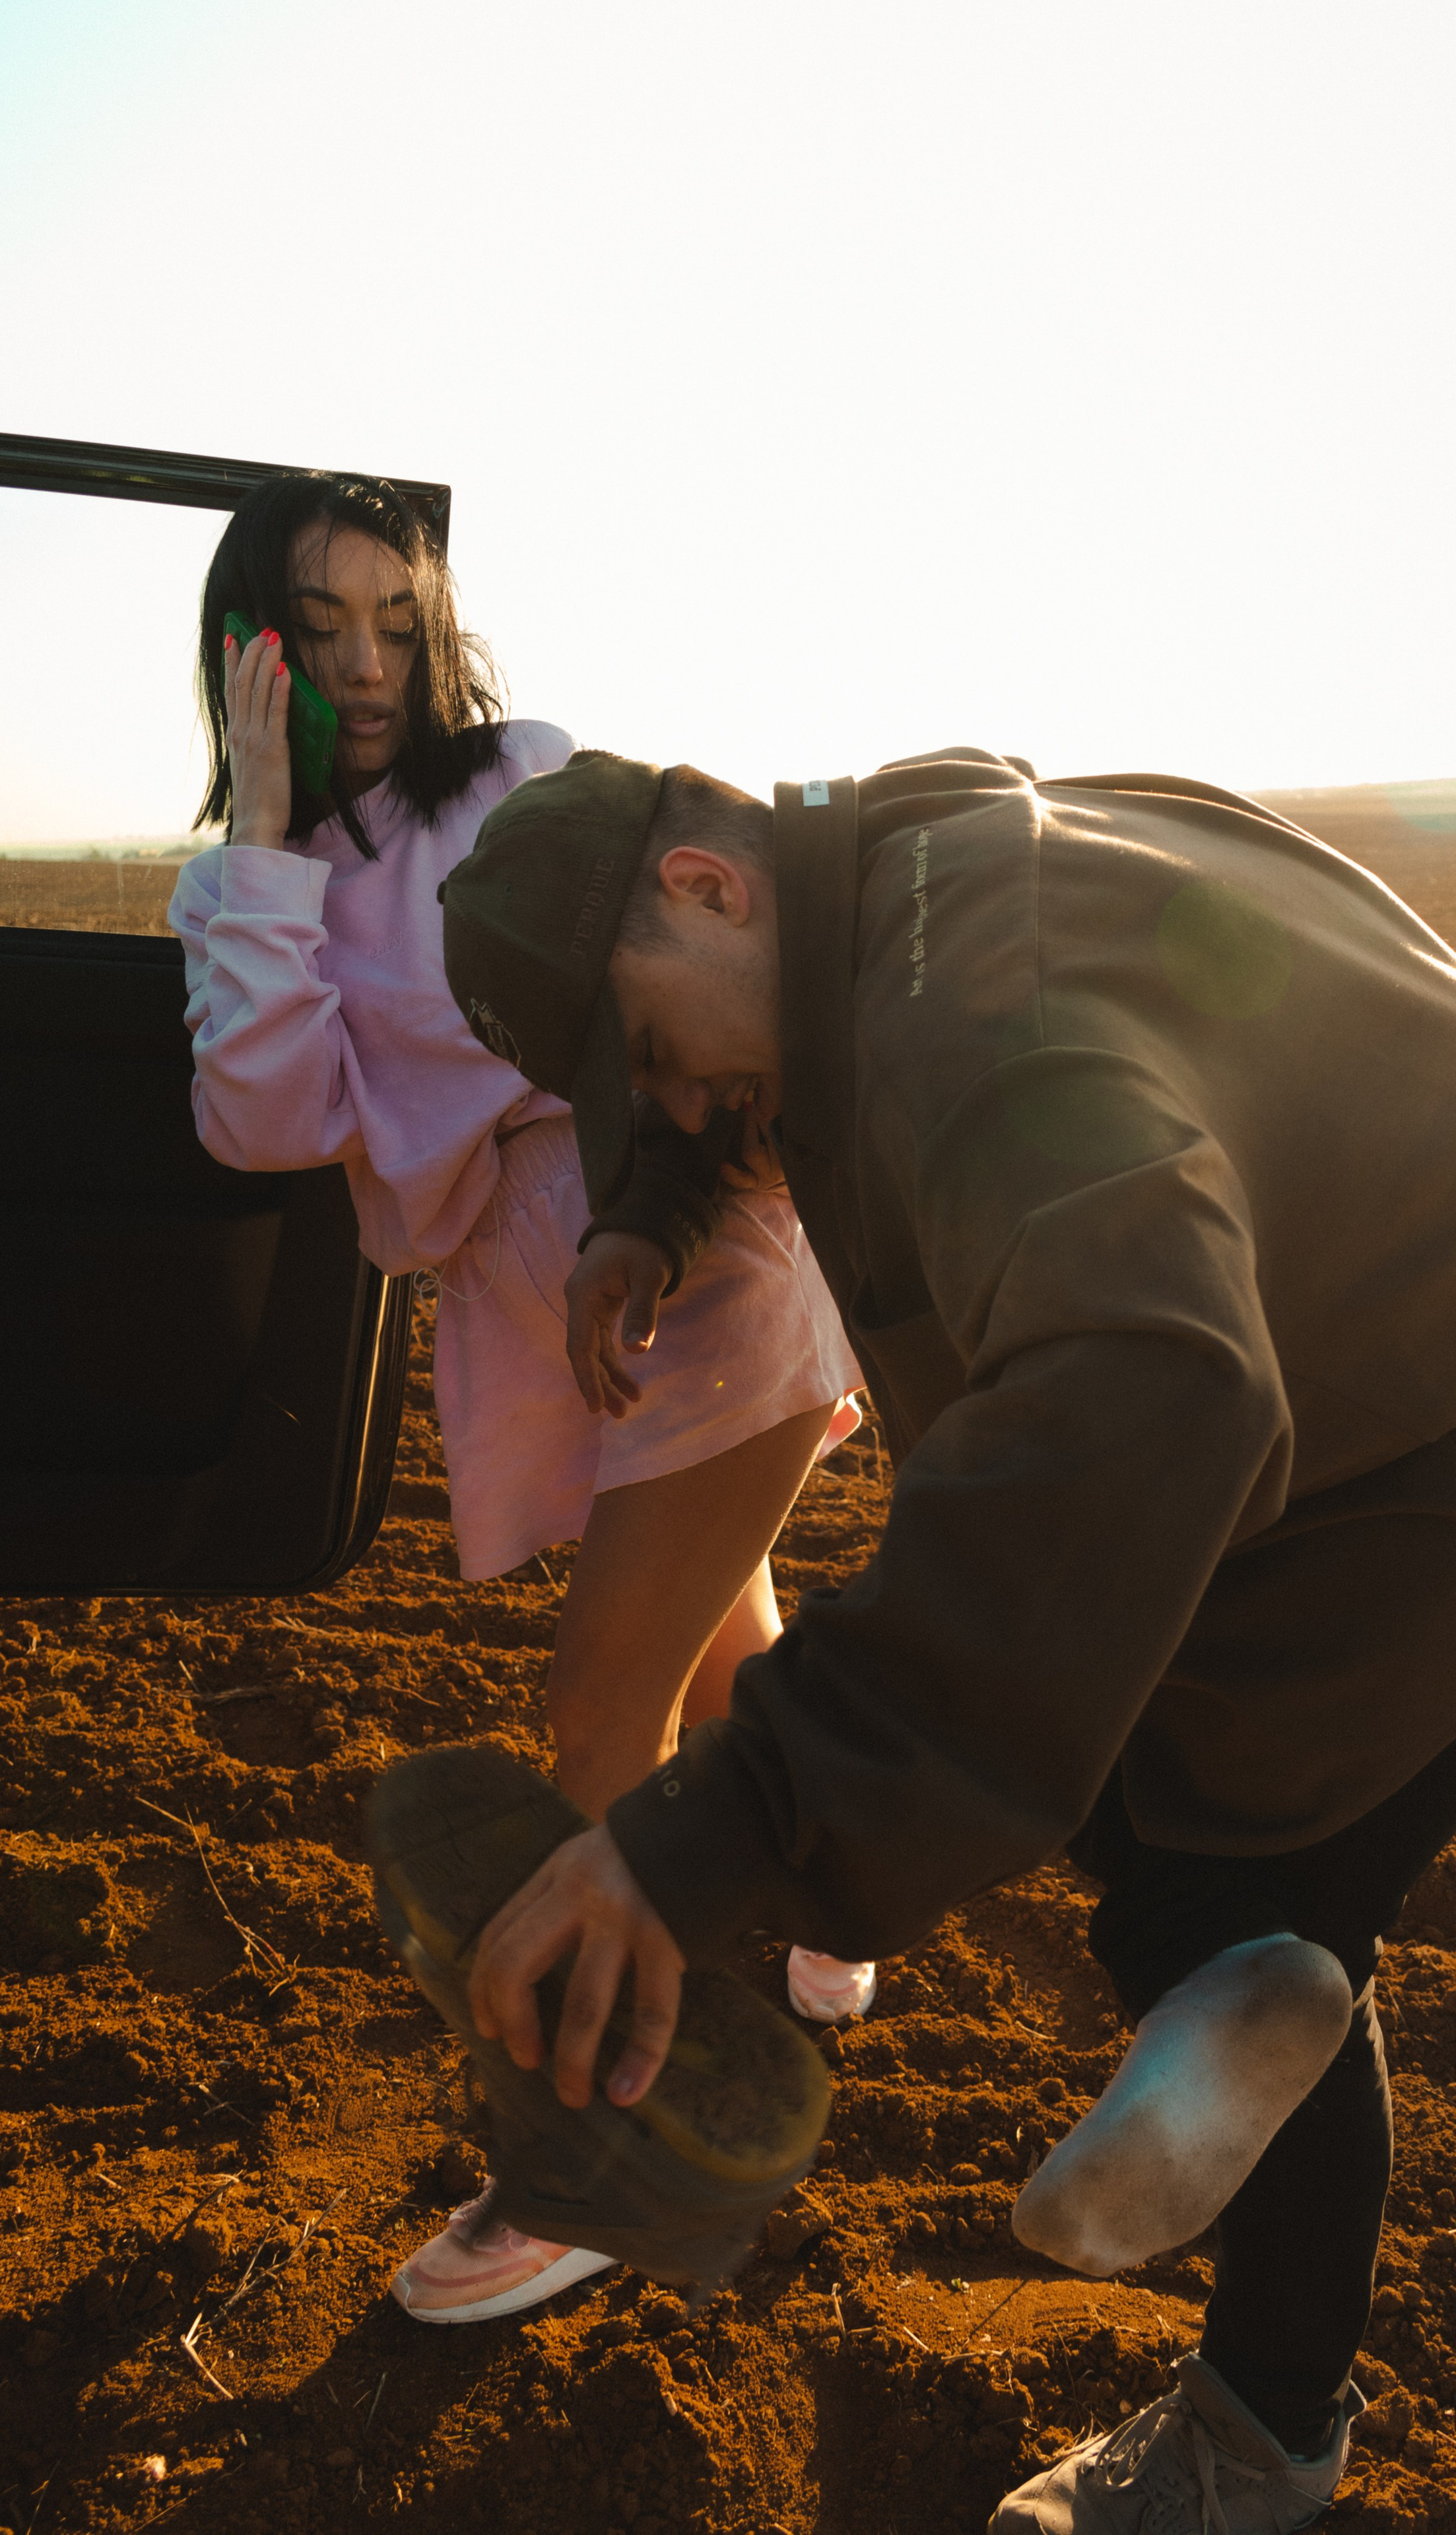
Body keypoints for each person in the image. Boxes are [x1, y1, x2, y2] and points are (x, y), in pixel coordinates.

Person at [435, 744, 1456, 2527]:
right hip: (1411, 1324)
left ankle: (1254, 2432)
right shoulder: (894, 864)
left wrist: (710, 1830)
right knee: (1164, 1804)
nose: (683, 1106)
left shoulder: (986, 1037)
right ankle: (1243, 1973)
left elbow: (1136, 1408)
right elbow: (788, 1093)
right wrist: (647, 1207)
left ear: (705, 884)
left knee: (1211, 1839)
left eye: (647, 1058)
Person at [166, 479, 870, 2329]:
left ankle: (582, 2167)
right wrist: (260, 824)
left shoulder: (523, 775)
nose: (372, 664)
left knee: (595, 1719)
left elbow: (680, 991)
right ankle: (828, 1893)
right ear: (255, 648)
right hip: (532, 1314)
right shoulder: (255, 877)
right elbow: (264, 1114)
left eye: (397, 620)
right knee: (731, 1637)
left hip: (687, 1259)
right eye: (321, 628)